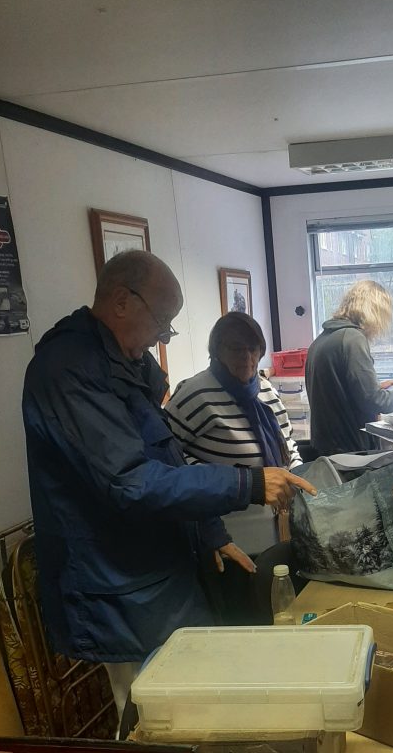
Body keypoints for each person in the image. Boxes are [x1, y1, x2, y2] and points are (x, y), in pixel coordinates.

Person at [22, 249, 315, 716]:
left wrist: (209, 532)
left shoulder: (123, 360)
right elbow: (130, 482)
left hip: (159, 570)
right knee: (147, 718)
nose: (163, 335)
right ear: (122, 301)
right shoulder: (69, 369)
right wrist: (247, 485)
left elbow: (166, 455)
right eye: (162, 321)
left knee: (188, 702)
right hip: (116, 582)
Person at [164, 311, 303, 620]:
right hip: (227, 537)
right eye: (236, 348)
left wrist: (293, 471)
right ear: (217, 350)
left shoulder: (265, 389)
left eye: (254, 349)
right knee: (241, 618)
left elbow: (288, 440)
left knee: (277, 615)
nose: (247, 357)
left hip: (276, 531)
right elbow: (166, 457)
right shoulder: (195, 393)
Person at [305, 279, 393, 455]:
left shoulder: (322, 340)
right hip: (351, 451)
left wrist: (378, 388)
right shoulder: (353, 339)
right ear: (375, 312)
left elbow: (340, 392)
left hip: (327, 448)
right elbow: (373, 401)